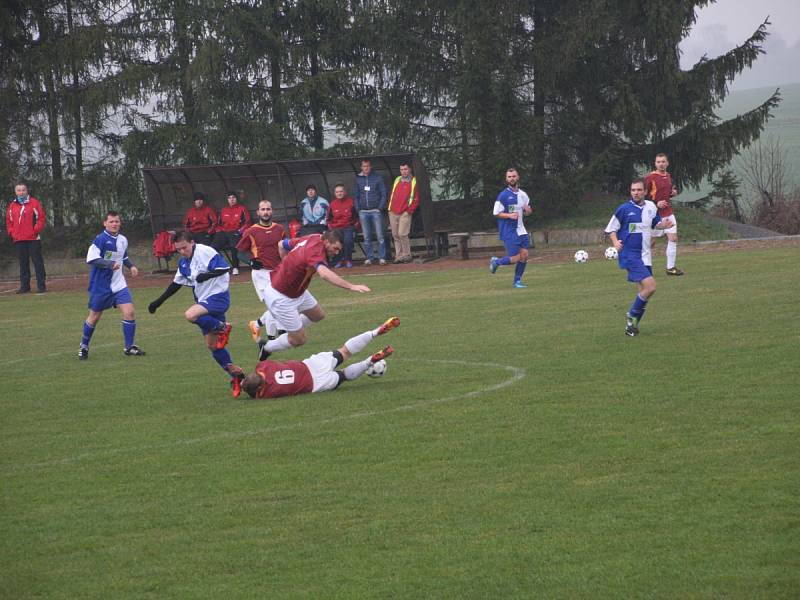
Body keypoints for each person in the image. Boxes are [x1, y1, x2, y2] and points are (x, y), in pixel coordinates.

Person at [257, 229, 371, 359]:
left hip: (297, 292)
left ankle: (293, 328)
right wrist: (351, 286)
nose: (336, 252)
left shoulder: (314, 237)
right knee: (299, 340)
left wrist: (286, 264)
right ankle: (266, 347)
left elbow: (281, 245)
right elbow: (324, 274)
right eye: (335, 248)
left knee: (318, 315)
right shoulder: (316, 251)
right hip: (280, 296)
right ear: (327, 242)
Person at [147, 231, 240, 390]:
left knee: (190, 315)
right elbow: (176, 284)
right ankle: (237, 376)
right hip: (204, 302)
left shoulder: (205, 251)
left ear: (192, 242)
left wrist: (207, 275)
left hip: (218, 297)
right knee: (213, 346)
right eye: (179, 250)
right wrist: (158, 302)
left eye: (184, 247)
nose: (182, 252)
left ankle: (223, 327)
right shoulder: (184, 263)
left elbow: (224, 268)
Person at [236, 317, 400, 399]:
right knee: (344, 351)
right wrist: (241, 378)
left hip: (314, 384)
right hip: (310, 365)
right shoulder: (264, 367)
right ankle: (375, 332)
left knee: (343, 376)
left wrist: (243, 387)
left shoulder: (266, 394)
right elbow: (253, 374)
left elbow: (253, 390)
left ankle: (369, 361)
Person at [605, 178, 675, 337]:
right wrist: (615, 242)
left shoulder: (651, 207)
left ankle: (631, 327)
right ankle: (631, 315)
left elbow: (655, 224)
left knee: (644, 291)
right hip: (630, 254)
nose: (636, 193)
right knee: (651, 287)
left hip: (645, 255)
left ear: (644, 191)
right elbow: (611, 229)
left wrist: (665, 225)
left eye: (638, 190)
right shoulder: (624, 209)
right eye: (633, 190)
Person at [78, 211, 145, 359]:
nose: (114, 224)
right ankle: (84, 346)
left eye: (117, 221)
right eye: (111, 222)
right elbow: (91, 259)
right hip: (101, 286)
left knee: (129, 312)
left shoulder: (122, 240)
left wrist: (131, 266)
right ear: (105, 223)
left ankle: (129, 347)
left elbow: (123, 257)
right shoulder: (100, 240)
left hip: (119, 284)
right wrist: (109, 264)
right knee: (94, 316)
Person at [235, 199, 286, 342]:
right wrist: (251, 261)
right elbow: (240, 252)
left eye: (268, 209)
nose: (266, 212)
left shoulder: (280, 229)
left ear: (272, 211)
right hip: (261, 274)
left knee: (278, 302)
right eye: (263, 209)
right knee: (273, 303)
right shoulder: (251, 231)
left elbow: (285, 249)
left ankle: (257, 325)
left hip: (277, 272)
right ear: (258, 212)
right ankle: (275, 336)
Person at [489, 168, 533, 288]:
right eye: (509, 177)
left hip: (521, 229)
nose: (512, 178)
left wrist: (528, 211)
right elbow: (496, 213)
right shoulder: (503, 196)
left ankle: (517, 281)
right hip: (509, 230)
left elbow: (527, 210)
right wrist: (509, 215)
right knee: (515, 258)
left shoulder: (523, 195)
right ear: (506, 179)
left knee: (524, 255)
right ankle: (496, 262)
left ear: (518, 177)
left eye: (514, 176)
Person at [645, 153, 683, 276]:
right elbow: (644, 196)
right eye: (658, 162)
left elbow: (668, 192)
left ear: (667, 163)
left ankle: (670, 268)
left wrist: (673, 193)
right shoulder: (650, 177)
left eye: (663, 161)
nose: (661, 164)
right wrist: (656, 203)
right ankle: (644, 267)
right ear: (655, 164)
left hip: (668, 212)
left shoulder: (668, 176)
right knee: (651, 243)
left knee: (673, 238)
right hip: (655, 215)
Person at [5, 182, 47, 294]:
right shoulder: (12, 206)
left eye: (23, 190)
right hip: (19, 239)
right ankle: (25, 287)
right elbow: (9, 222)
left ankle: (41, 286)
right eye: (19, 190)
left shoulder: (34, 203)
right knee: (23, 264)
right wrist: (12, 232)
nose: (21, 192)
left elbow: (41, 218)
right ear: (15, 192)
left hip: (33, 239)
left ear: (27, 191)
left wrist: (35, 230)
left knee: (37, 262)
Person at [353, 158, 387, 265]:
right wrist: (358, 209)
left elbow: (383, 194)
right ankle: (369, 257)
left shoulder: (377, 178)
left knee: (380, 236)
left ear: (370, 167)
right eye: (364, 166)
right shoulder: (358, 179)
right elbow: (356, 195)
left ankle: (382, 257)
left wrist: (380, 208)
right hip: (363, 212)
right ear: (361, 167)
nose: (366, 168)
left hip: (375, 211)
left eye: (367, 166)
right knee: (366, 237)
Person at [388, 162, 420, 264]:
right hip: (393, 211)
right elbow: (393, 194)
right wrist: (390, 208)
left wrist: (409, 211)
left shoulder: (414, 181)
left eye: (405, 169)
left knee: (402, 234)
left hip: (405, 212)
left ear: (410, 169)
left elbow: (416, 199)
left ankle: (406, 254)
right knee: (395, 234)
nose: (403, 171)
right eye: (401, 169)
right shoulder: (397, 179)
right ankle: (399, 255)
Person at [213, 191, 251, 275]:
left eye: (233, 198)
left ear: (236, 199)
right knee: (213, 247)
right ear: (227, 200)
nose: (232, 200)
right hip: (224, 232)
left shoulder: (242, 209)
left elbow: (247, 223)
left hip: (235, 232)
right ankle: (222, 265)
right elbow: (218, 224)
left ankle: (235, 267)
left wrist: (239, 231)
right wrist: (219, 230)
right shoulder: (223, 210)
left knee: (234, 246)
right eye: (229, 198)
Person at [326, 183, 358, 268]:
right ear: (335, 193)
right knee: (336, 242)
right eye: (337, 192)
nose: (339, 193)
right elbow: (328, 219)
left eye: (341, 191)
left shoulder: (351, 202)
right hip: (336, 229)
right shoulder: (332, 204)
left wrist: (354, 227)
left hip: (348, 227)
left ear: (345, 192)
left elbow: (356, 217)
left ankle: (348, 260)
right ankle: (339, 260)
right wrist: (332, 229)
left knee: (348, 241)